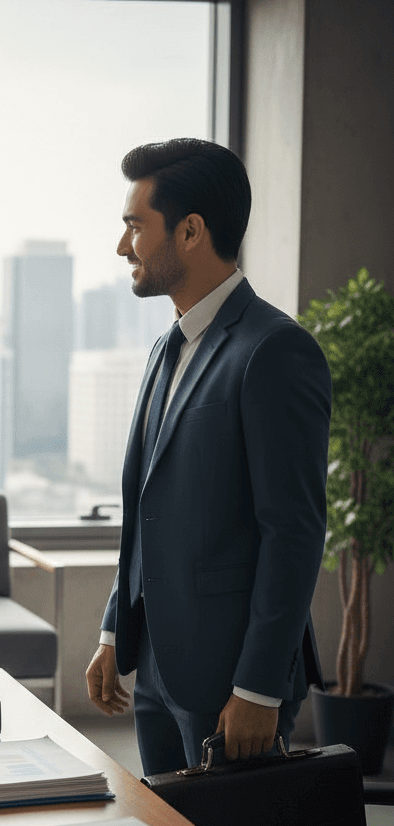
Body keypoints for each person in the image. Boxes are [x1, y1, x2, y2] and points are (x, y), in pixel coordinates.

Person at [84, 139, 331, 775]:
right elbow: (147, 508)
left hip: (230, 681)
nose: (122, 247)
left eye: (135, 227)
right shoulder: (164, 348)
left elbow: (295, 532)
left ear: (190, 231)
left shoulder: (274, 350)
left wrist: (258, 687)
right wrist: (116, 630)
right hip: (158, 666)